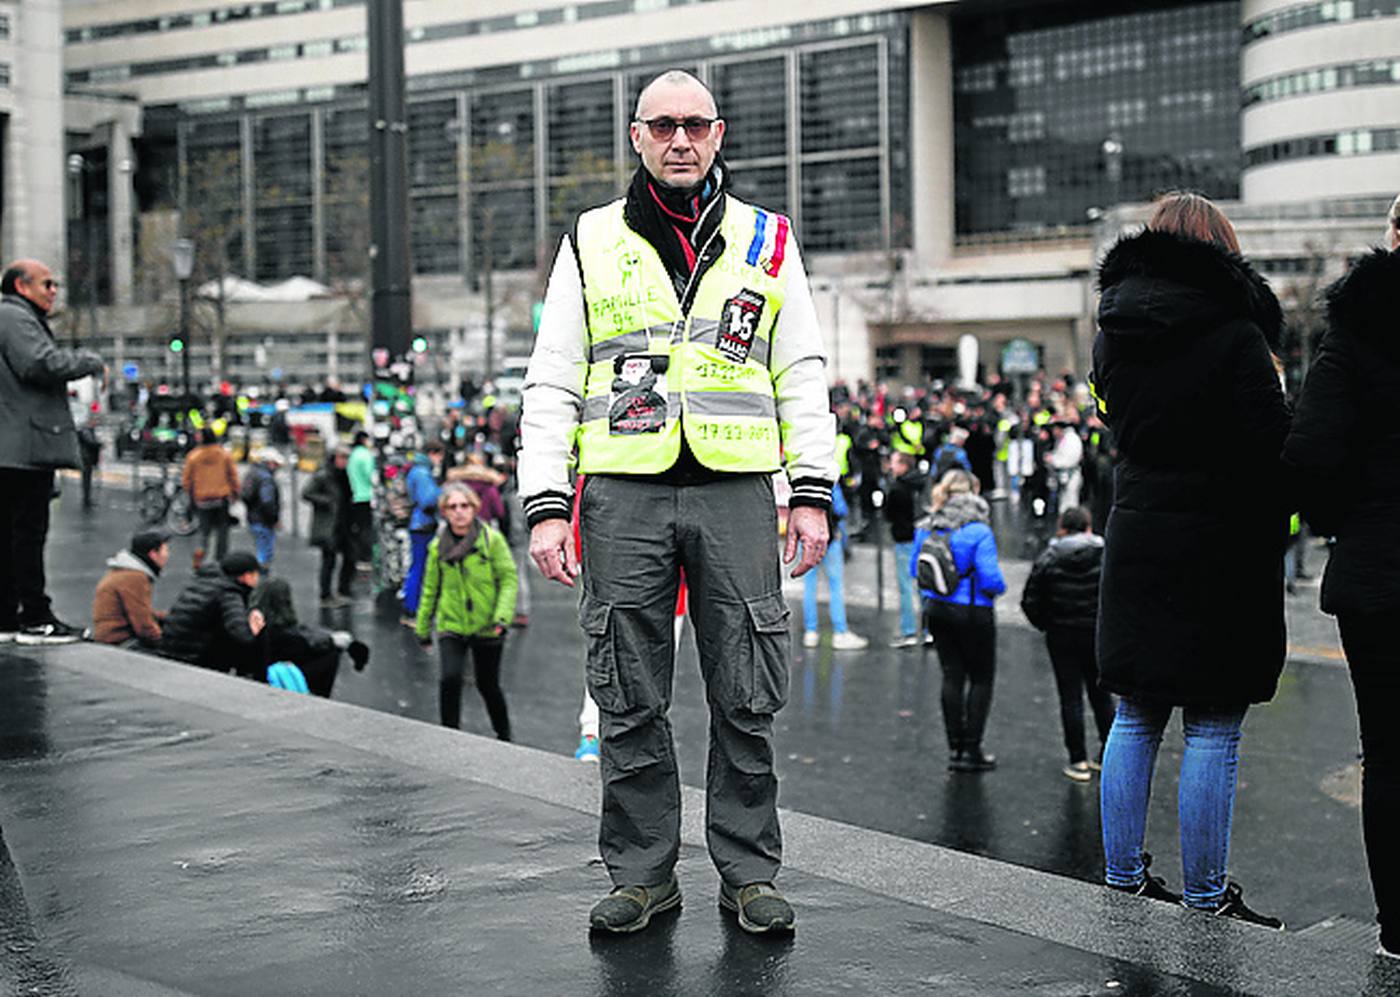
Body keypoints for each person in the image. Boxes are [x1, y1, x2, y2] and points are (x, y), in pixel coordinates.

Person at [520, 69, 834, 936]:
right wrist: (547, 503)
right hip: (623, 495)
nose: (680, 139)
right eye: (663, 125)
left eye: (695, 124)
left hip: (736, 490)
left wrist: (810, 491)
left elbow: (800, 370)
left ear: (720, 134)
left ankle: (747, 870)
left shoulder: (768, 242)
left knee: (747, 689)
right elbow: (551, 377)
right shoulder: (588, 240)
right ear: (637, 136)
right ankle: (643, 873)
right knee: (626, 692)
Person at [1091, 192, 1289, 928]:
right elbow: (1272, 445)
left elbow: (1115, 420)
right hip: (1219, 543)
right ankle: (1206, 897)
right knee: (1212, 723)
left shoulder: (1110, 331)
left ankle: (1123, 879)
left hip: (1138, 531)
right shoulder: (1237, 334)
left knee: (1134, 714)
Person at [1282, 191, 1400, 958]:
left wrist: (1346, 516)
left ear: (1394, 234)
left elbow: (1310, 455)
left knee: (1388, 750)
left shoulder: (1360, 327)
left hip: (1381, 566)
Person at [0, 259, 106, 645]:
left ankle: (8, 617)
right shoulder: (14, 316)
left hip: (10, 447)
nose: (53, 291)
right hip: (24, 447)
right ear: (21, 286)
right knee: (28, 533)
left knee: (10, 535)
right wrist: (90, 362)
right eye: (47, 284)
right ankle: (35, 618)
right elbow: (39, 363)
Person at [911, 469, 1006, 772]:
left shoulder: (927, 526)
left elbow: (916, 569)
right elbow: (991, 578)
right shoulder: (979, 531)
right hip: (973, 611)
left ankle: (954, 748)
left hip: (937, 609)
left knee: (951, 676)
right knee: (981, 679)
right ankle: (972, 749)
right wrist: (999, 589)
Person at [415, 483, 517, 740]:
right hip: (452, 623)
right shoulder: (437, 547)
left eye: (464, 506)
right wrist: (423, 628)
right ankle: (450, 737)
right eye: (452, 507)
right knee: (449, 679)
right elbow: (430, 588)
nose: (459, 512)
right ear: (444, 512)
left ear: (474, 508)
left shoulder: (491, 540)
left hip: (488, 624)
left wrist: (502, 616)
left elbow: (508, 578)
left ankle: (504, 735)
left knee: (488, 685)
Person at [1020, 507, 1114, 782]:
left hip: (1061, 636)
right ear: (1087, 526)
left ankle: (1077, 760)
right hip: (1095, 633)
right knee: (1101, 695)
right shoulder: (1104, 555)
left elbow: (1031, 601)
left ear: (1062, 526)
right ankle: (1107, 753)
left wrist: (1047, 624)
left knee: (1069, 696)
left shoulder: (1049, 558)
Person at [250, 577, 369, 698]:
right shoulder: (280, 631)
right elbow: (304, 641)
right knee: (330, 653)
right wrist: (334, 640)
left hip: (266, 669)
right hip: (278, 675)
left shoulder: (255, 620)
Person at [158, 550, 266, 677]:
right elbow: (242, 635)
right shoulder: (229, 593)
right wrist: (254, 626)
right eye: (256, 574)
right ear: (246, 576)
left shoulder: (204, 581)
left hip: (171, 648)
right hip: (192, 656)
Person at [801, 483, 867, 650]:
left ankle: (810, 631)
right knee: (835, 585)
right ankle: (840, 631)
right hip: (829, 539)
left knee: (809, 586)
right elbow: (841, 509)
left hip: (808, 539)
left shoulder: (801, 481)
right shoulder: (830, 481)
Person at [92, 530, 170, 648]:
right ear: (153, 554)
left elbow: (138, 612)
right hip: (119, 640)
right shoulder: (135, 577)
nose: (168, 555)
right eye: (166, 550)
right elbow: (143, 626)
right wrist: (166, 645)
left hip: (113, 636)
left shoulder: (126, 572)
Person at [303, 449, 355, 607]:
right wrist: (327, 502)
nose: (344, 461)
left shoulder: (344, 475)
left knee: (349, 557)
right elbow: (306, 493)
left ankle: (342, 590)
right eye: (341, 457)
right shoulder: (324, 475)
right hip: (329, 525)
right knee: (329, 560)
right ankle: (325, 595)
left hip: (343, 523)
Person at [182, 429, 240, 570]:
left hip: (202, 499)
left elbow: (186, 480)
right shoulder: (224, 455)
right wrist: (235, 493)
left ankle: (199, 556)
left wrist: (191, 495)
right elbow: (233, 476)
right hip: (221, 498)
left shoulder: (193, 456)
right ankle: (221, 559)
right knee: (222, 531)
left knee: (204, 531)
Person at [401, 441, 444, 625]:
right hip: (423, 525)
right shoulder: (422, 473)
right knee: (419, 568)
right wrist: (442, 491)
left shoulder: (417, 470)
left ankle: (412, 607)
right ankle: (412, 610)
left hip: (418, 524)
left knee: (418, 566)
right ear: (432, 453)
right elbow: (428, 499)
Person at [884, 450, 924, 648]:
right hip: (922, 537)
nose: (891, 467)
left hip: (904, 539)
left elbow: (888, 513)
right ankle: (927, 630)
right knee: (924, 585)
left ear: (903, 465)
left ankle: (909, 630)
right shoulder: (922, 484)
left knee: (906, 587)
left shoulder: (898, 488)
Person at [242, 449, 283, 570]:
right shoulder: (266, 479)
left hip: (253, 518)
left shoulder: (252, 473)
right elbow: (268, 501)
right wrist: (275, 519)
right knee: (265, 552)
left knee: (260, 547)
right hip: (264, 520)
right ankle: (261, 578)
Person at [346, 430, 375, 568]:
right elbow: (371, 475)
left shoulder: (353, 455)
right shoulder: (365, 455)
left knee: (358, 527)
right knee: (367, 528)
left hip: (355, 494)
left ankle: (358, 556)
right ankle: (366, 557)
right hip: (366, 495)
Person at [77, 413, 101, 511]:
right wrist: (99, 444)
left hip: (87, 457)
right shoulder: (86, 431)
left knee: (87, 479)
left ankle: (87, 499)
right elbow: (90, 442)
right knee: (86, 480)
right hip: (86, 457)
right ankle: (86, 500)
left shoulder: (87, 430)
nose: (95, 423)